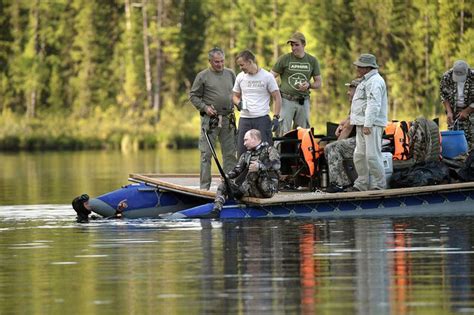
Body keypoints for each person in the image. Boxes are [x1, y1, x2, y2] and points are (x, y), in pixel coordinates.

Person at [203, 129, 280, 218]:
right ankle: (216, 210)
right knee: (224, 184)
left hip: (268, 189)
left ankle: (237, 194)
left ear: (254, 138)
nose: (244, 143)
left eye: (246, 140)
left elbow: (276, 164)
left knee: (253, 170)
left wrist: (260, 166)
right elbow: (237, 170)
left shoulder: (270, 150)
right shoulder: (246, 155)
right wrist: (227, 176)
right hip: (251, 189)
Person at [190, 47, 238, 190]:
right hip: (211, 121)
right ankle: (204, 188)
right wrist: (205, 108)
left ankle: (229, 185)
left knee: (230, 154)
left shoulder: (231, 74)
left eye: (222, 61)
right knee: (206, 154)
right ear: (210, 61)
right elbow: (193, 96)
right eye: (216, 62)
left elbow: (237, 93)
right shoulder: (202, 76)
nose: (220, 64)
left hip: (228, 119)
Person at [348, 53, 388, 191]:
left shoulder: (375, 81)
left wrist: (368, 124)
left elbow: (374, 104)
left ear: (367, 67)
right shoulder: (365, 80)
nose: (357, 69)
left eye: (360, 66)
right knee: (359, 155)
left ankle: (379, 185)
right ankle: (361, 184)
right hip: (362, 124)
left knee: (372, 155)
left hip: (371, 125)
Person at [271, 32, 322, 136]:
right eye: (292, 45)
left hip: (303, 101)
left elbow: (318, 83)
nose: (293, 48)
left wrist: (309, 85)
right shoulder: (284, 59)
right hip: (285, 100)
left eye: (296, 45)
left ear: (304, 45)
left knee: (303, 132)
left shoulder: (312, 61)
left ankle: (301, 152)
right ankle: (279, 151)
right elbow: (270, 77)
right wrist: (275, 92)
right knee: (282, 131)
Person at [233, 50, 282, 156]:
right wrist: (238, 103)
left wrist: (276, 117)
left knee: (265, 152)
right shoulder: (240, 77)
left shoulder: (267, 76)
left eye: (242, 65)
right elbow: (235, 96)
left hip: (262, 119)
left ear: (250, 61)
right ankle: (243, 173)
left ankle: (266, 172)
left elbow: (277, 97)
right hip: (245, 119)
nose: (240, 68)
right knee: (242, 152)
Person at [324, 78, 361, 192]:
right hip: (358, 139)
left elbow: (349, 127)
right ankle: (345, 183)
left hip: (362, 141)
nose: (347, 92)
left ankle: (337, 184)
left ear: (358, 91)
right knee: (329, 148)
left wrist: (337, 142)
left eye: (351, 89)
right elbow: (348, 121)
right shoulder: (355, 104)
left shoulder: (359, 104)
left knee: (332, 147)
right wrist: (341, 124)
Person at [440, 60, 474, 151]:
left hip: (472, 111)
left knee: (471, 141)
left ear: (467, 72)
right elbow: (444, 95)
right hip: (453, 110)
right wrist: (449, 112)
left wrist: (467, 111)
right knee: (453, 138)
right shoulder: (447, 77)